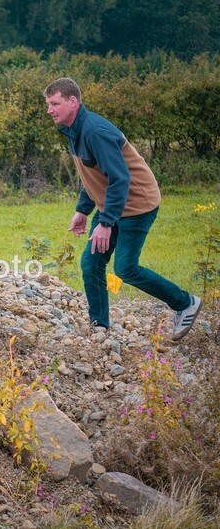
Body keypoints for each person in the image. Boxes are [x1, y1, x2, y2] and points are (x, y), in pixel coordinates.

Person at [43, 77, 202, 340]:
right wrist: (83, 210)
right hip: (112, 205)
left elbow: (119, 179)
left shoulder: (95, 132)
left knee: (126, 268)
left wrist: (105, 224)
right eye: (48, 104)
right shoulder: (73, 130)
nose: (49, 110)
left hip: (137, 204)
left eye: (54, 103)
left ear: (72, 102)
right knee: (91, 263)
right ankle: (100, 326)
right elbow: (93, 176)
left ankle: (185, 303)